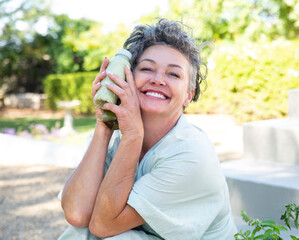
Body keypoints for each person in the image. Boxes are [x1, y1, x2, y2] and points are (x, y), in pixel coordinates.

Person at [58, 18, 238, 240]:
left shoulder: (191, 154)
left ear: (188, 96)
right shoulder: (115, 135)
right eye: (146, 68)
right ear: (129, 78)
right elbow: (76, 214)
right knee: (77, 234)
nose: (158, 79)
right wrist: (103, 125)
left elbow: (103, 227)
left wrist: (133, 136)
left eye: (174, 74)